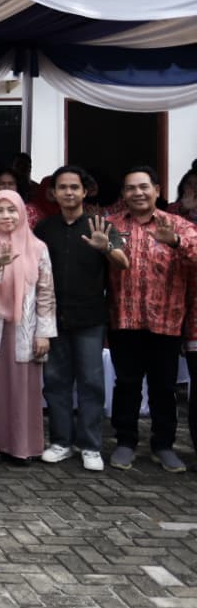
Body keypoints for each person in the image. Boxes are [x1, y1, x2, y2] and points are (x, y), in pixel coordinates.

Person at [34, 165, 126, 472]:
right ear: (54, 193)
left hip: (90, 317)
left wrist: (106, 247)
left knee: (91, 383)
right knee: (55, 383)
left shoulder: (101, 225)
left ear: (85, 192)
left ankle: (90, 445)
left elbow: (123, 262)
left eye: (74, 187)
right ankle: (61, 442)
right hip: (53, 318)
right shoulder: (44, 228)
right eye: (62, 187)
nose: (69, 192)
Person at [105, 166, 197, 473]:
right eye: (131, 188)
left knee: (163, 387)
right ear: (123, 193)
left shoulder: (178, 225)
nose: (138, 193)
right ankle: (125, 441)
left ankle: (163, 445)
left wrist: (176, 242)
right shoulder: (112, 225)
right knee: (127, 384)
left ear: (157, 190)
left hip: (167, 321)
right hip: (124, 319)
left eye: (144, 187)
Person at [0, 189, 57, 464]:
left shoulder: (38, 247)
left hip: (25, 328)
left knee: (22, 389)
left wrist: (44, 333)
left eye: (12, 210)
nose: (6, 216)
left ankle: (21, 447)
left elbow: (46, 293)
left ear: (22, 214)